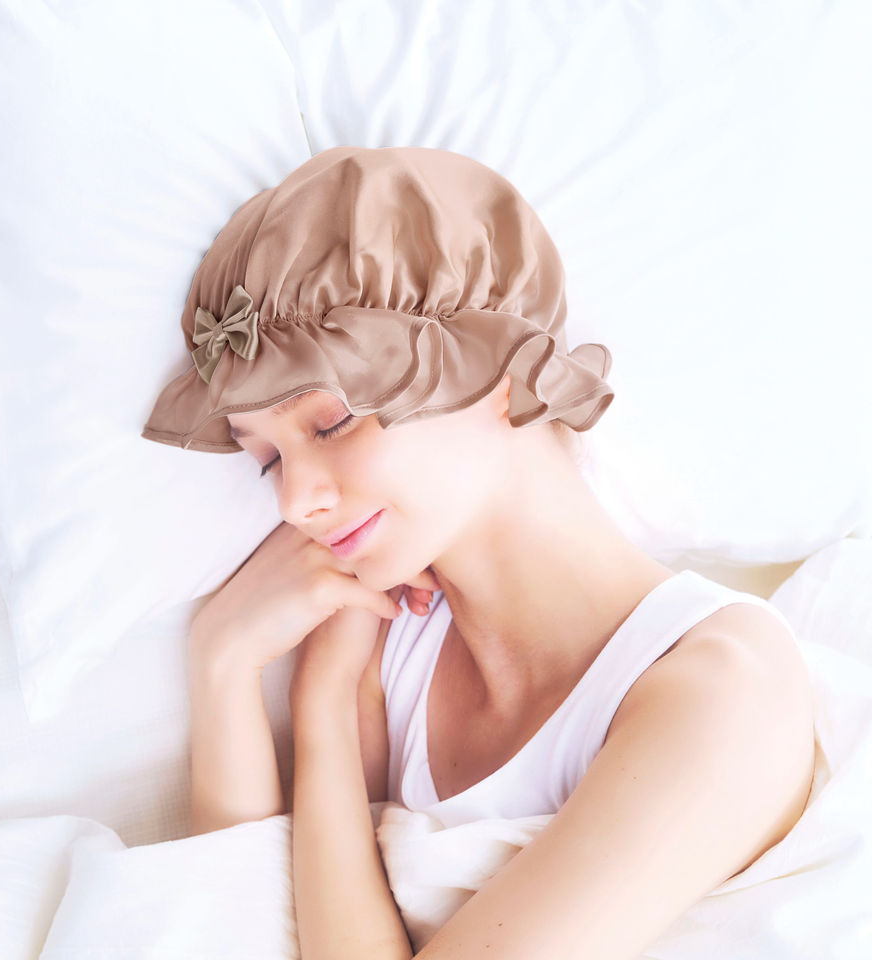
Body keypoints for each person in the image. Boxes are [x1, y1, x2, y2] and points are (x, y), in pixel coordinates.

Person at [142, 145, 816, 960]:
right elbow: (232, 927)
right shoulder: (383, 647)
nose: (294, 501)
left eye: (332, 423)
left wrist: (326, 708)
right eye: (269, 460)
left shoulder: (722, 688)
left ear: (497, 369)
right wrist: (225, 663)